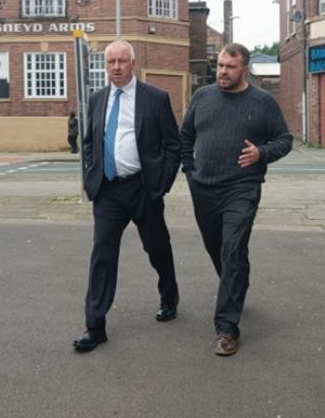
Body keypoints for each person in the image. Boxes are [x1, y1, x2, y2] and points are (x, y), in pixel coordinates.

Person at [180, 42, 293, 357]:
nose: (222, 72)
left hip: (242, 187)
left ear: (244, 70)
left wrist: (262, 153)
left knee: (231, 248)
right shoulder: (202, 97)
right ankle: (236, 284)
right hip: (202, 187)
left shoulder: (262, 101)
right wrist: (189, 169)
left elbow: (284, 140)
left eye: (229, 67)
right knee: (218, 250)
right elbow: (185, 136)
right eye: (219, 66)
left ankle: (227, 328)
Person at [73, 40, 181, 352]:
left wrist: (161, 183)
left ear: (132, 63)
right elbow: (90, 141)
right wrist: (92, 173)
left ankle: (169, 295)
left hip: (143, 188)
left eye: (122, 61)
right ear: (104, 66)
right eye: (110, 62)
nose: (116, 67)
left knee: (157, 247)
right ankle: (95, 325)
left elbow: (172, 145)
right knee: (102, 256)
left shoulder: (155, 98)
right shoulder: (96, 99)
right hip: (107, 189)